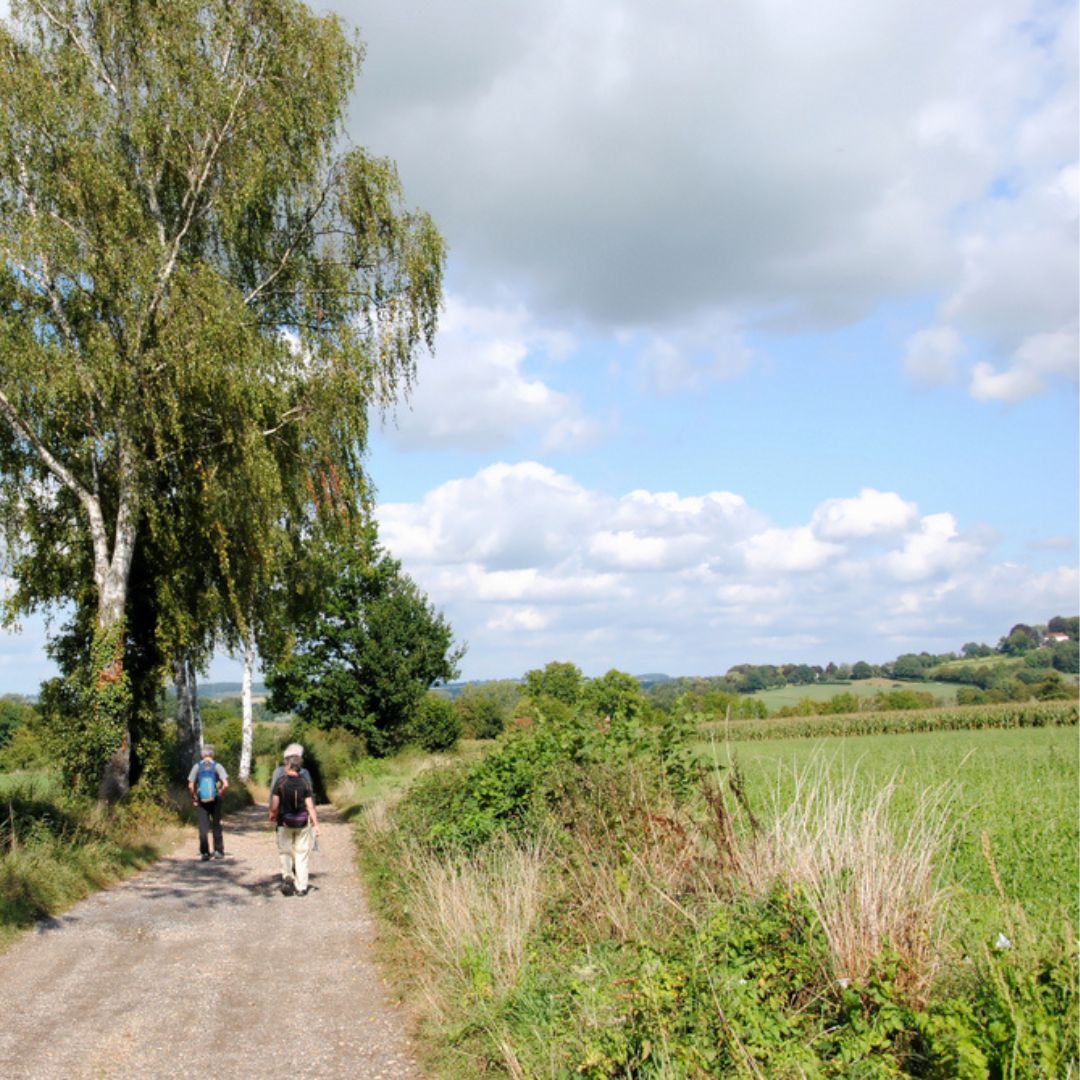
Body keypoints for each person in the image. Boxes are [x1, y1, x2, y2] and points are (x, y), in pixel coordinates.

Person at [269, 752, 319, 896]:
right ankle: (302, 887)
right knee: (302, 854)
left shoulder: (281, 782)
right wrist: (316, 824)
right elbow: (310, 805)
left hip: (284, 823)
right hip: (302, 823)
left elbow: (275, 805)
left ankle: (287, 875)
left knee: (285, 851)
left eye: (286, 765)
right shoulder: (305, 782)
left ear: (290, 766)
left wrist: (273, 815)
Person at [187, 744, 229, 861]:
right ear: (212, 754)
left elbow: (190, 786)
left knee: (203, 827)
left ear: (202, 754)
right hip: (215, 799)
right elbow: (226, 784)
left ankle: (205, 853)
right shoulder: (217, 766)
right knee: (216, 825)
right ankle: (218, 851)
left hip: (202, 800)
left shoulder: (197, 767)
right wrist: (220, 793)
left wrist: (194, 797)